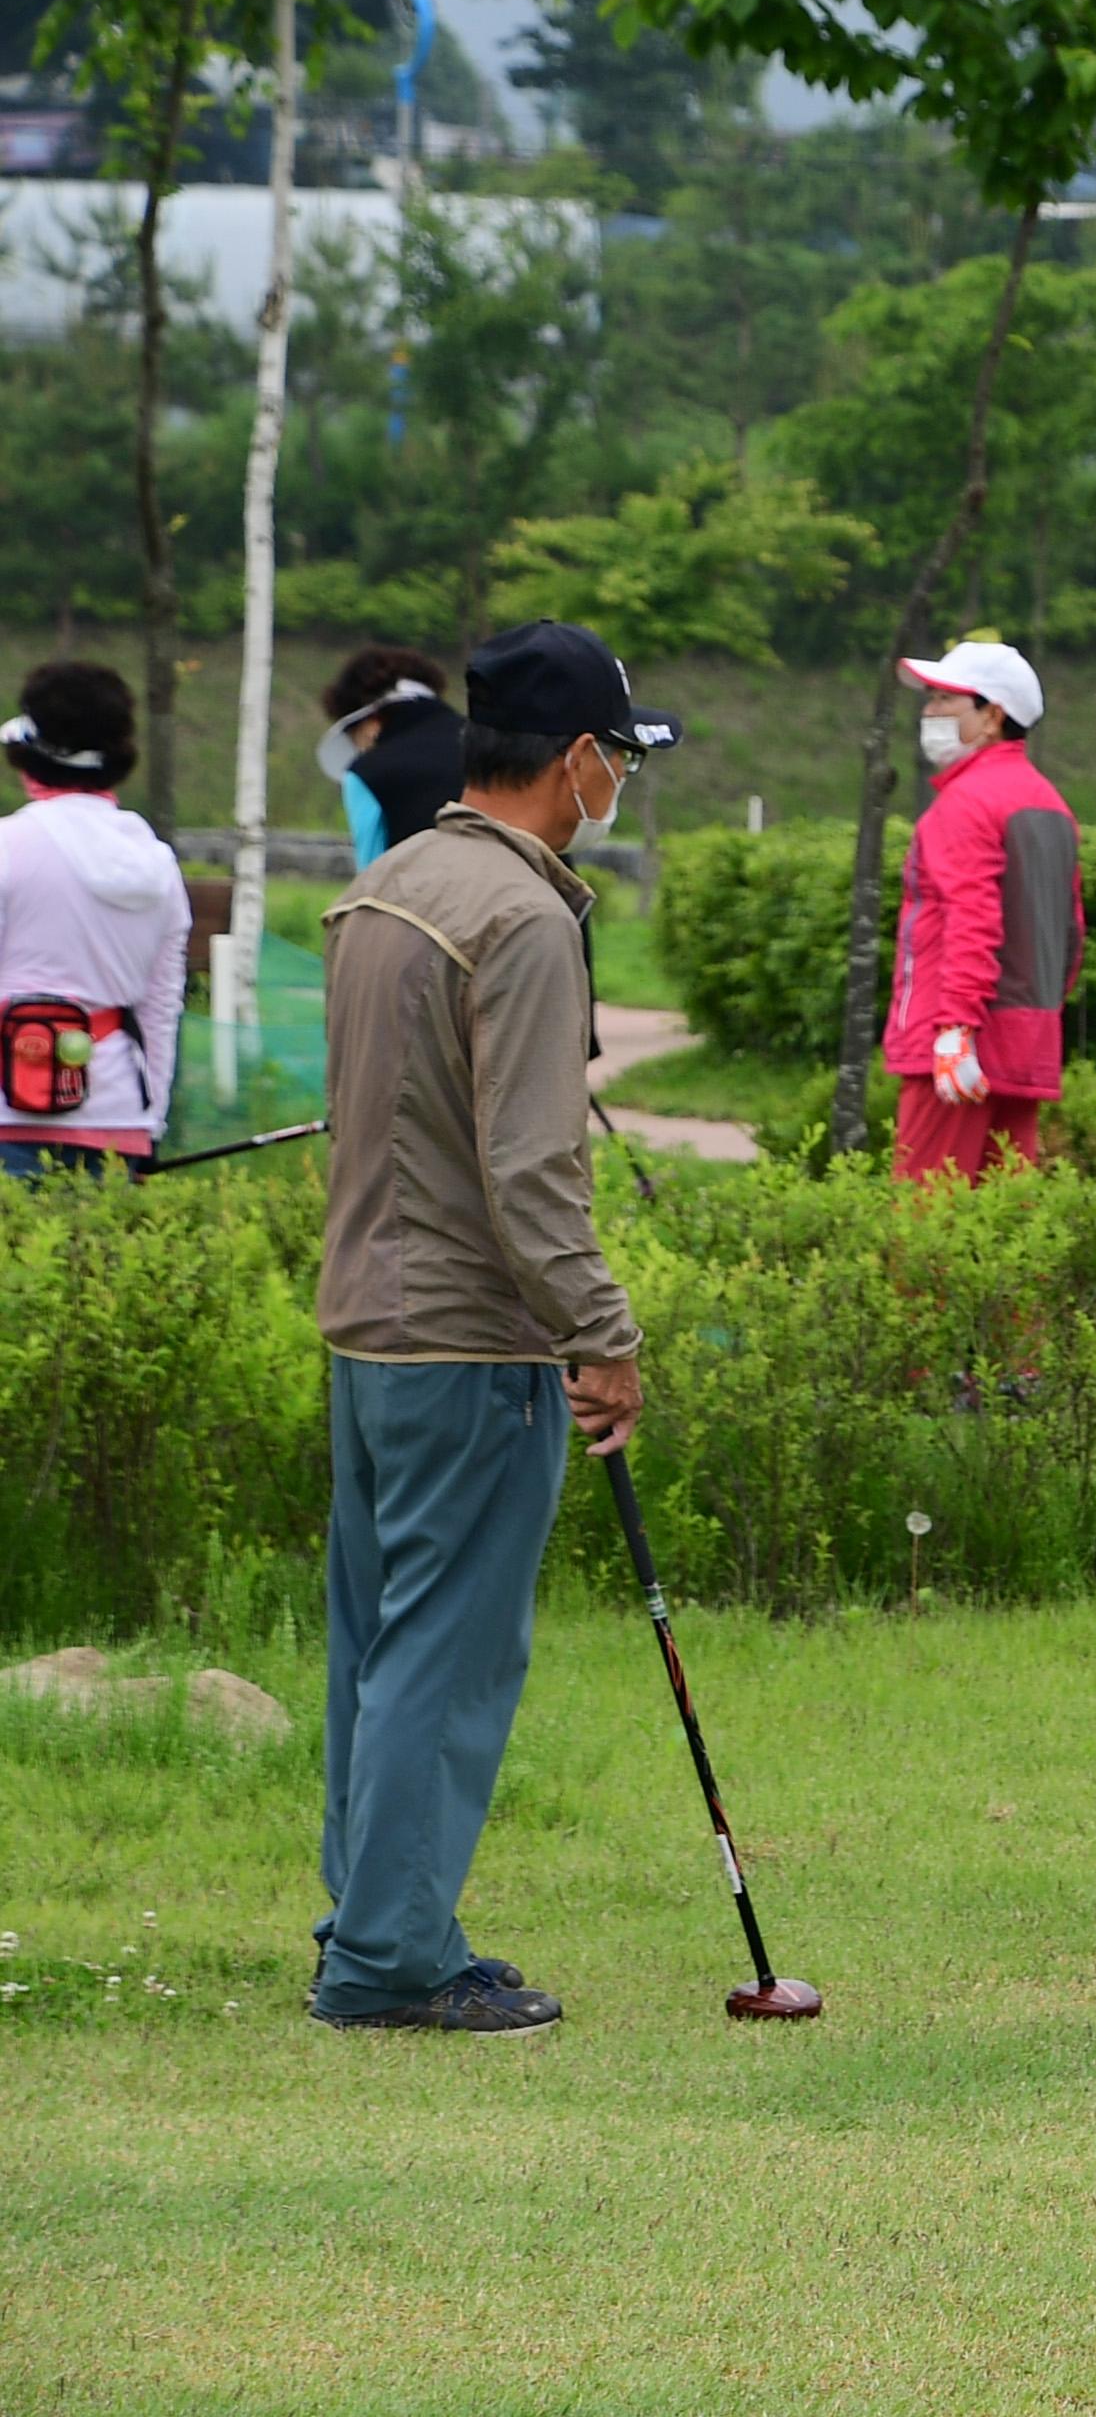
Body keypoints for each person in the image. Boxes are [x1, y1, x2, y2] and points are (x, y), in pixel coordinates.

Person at [311, 619, 677, 2034]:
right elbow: (533, 1167)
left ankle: (378, 1920)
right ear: (578, 759)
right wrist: (602, 1329)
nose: (622, 788)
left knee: (379, 1648)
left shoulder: (389, 883)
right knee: (448, 1657)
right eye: (622, 761)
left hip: (368, 1330)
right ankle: (392, 1962)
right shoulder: (523, 917)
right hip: (472, 1340)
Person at [885, 638, 1081, 1184]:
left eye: (945, 699)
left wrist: (955, 1031)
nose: (929, 712)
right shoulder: (1051, 804)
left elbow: (971, 919)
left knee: (928, 1225)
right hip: (1027, 1043)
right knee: (1005, 1228)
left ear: (992, 715)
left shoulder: (965, 803)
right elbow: (1069, 936)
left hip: (955, 1048)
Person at [0, 662, 187, 1181]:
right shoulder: (157, 862)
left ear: (30, 757)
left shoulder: (8, 848)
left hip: (9, 1119)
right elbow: (161, 1005)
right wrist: (150, 1120)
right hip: (119, 1115)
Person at [314, 645, 464, 867]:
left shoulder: (368, 774)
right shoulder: (491, 745)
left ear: (371, 721)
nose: (361, 749)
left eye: (355, 737)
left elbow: (371, 874)